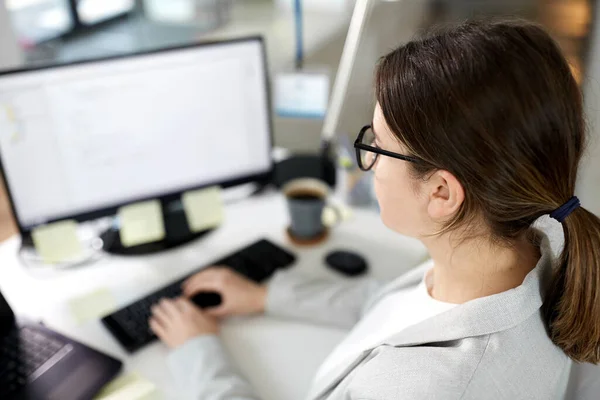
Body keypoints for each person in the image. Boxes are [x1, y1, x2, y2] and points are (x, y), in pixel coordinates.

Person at [148, 19, 600, 399]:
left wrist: (199, 353)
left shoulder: (421, 387)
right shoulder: (534, 243)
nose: (369, 164)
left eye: (379, 147)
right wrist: (268, 295)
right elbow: (396, 307)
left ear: (441, 192)